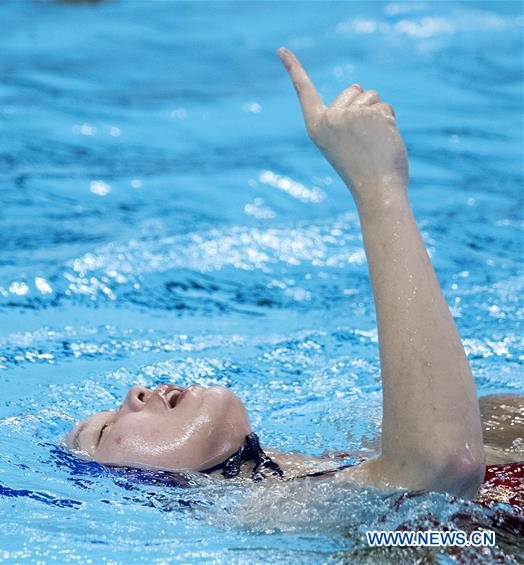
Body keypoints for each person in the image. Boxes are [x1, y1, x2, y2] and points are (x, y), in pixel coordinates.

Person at [65, 47, 522, 500]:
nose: (134, 392)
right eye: (103, 431)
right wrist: (377, 185)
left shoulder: (353, 458)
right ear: (137, 488)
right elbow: (441, 469)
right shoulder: (281, 513)